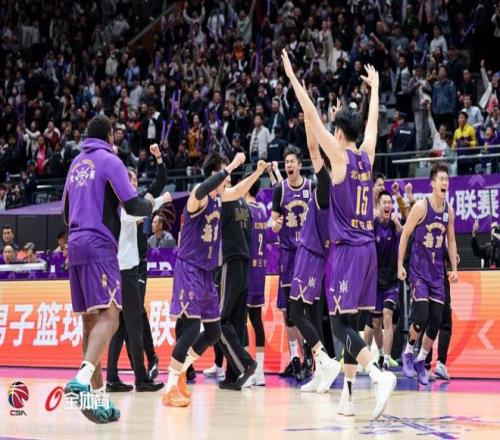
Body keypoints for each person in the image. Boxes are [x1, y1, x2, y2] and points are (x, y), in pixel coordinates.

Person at [282, 49, 396, 419]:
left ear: (339, 132)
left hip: (348, 251)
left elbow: (311, 117)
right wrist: (375, 88)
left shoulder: (343, 157)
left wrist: (293, 79)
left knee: (338, 325)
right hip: (369, 252)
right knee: (353, 325)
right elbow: (373, 124)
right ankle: (347, 396)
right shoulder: (367, 155)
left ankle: (377, 374)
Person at [62, 115, 155, 424]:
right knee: (112, 316)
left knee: (91, 324)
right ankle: (81, 380)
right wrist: (152, 202)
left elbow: (65, 211)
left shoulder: (76, 164)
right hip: (99, 244)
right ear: (110, 136)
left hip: (74, 244)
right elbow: (134, 205)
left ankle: (98, 398)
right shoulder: (110, 160)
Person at [163, 152, 267, 407]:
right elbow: (204, 188)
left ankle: (180, 373)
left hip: (207, 272)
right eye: (223, 174)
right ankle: (170, 386)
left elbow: (239, 190)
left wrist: (257, 173)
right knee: (190, 329)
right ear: (214, 174)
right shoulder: (197, 197)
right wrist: (231, 166)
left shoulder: (221, 199)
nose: (228, 179)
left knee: (213, 331)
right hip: (189, 270)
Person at [289, 105, 340, 395]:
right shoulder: (332, 188)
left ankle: (324, 360)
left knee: (296, 312)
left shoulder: (324, 187)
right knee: (307, 312)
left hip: (311, 255)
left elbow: (313, 148)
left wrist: (310, 116)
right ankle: (322, 370)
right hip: (312, 255)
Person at [106, 166, 170, 393]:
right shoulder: (124, 205)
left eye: (134, 179)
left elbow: (142, 207)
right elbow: (143, 209)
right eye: (130, 179)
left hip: (123, 271)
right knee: (134, 327)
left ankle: (112, 377)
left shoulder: (121, 204)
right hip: (126, 272)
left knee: (121, 327)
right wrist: (162, 199)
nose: (133, 183)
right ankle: (141, 379)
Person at [398, 163, 458, 387]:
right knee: (421, 316)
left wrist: (454, 269)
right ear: (432, 183)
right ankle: (407, 352)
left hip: (437, 273)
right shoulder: (421, 207)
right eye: (441, 179)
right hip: (418, 271)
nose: (445, 183)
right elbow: (405, 234)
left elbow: (451, 240)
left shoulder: (448, 211)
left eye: (447, 179)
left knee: (435, 321)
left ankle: (421, 360)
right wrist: (399, 265)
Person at [271, 146, 312, 381]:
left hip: (306, 254)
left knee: (303, 309)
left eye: (292, 162)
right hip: (287, 254)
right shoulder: (280, 189)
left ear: (300, 165)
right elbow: (273, 221)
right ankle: (295, 358)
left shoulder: (310, 187)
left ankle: (309, 355)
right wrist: (275, 225)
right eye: (286, 162)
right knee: (288, 311)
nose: (288, 165)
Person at [370, 191, 401, 371]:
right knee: (376, 324)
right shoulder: (372, 225)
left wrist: (400, 228)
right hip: (374, 282)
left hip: (391, 281)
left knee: (387, 316)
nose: (387, 205)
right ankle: (381, 353)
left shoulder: (395, 227)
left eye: (390, 202)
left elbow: (405, 239)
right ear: (379, 206)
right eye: (384, 202)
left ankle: (387, 360)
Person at [243, 178, 268, 387]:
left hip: (246, 269)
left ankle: (245, 369)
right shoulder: (262, 209)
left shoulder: (245, 209)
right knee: (257, 319)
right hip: (261, 269)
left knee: (241, 320)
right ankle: (260, 372)